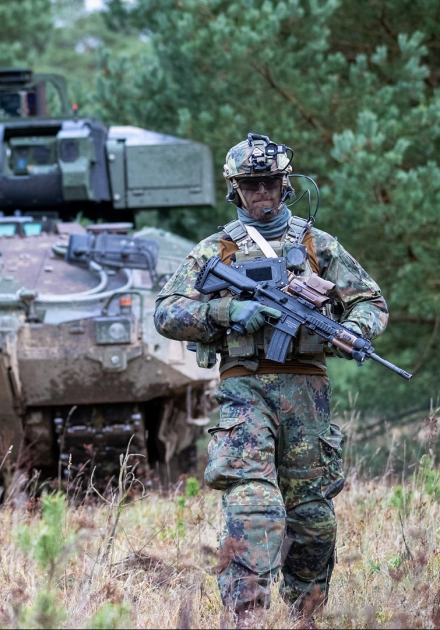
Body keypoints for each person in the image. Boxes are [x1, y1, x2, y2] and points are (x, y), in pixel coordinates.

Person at [153, 134, 388, 627]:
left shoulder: (318, 245)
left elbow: (370, 301)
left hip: (308, 398)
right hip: (246, 392)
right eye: (251, 184)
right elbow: (167, 312)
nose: (262, 192)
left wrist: (351, 332)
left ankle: (306, 614)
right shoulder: (216, 250)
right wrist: (226, 312)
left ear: (285, 186)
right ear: (235, 190)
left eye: (270, 183)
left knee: (312, 518)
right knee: (252, 507)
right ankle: (247, 616)